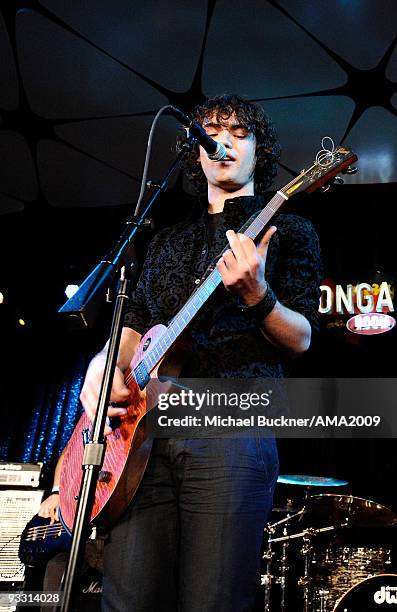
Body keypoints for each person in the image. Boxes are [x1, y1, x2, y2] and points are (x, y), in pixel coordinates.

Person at [80, 94, 322, 611]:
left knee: (213, 599)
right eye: (211, 130)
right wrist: (101, 371)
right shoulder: (167, 241)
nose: (224, 139)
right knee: (127, 598)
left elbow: (301, 337)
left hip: (232, 422)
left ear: (262, 150)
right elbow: (130, 336)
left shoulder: (291, 232)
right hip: (142, 437)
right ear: (195, 152)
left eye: (239, 131)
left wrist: (258, 296)